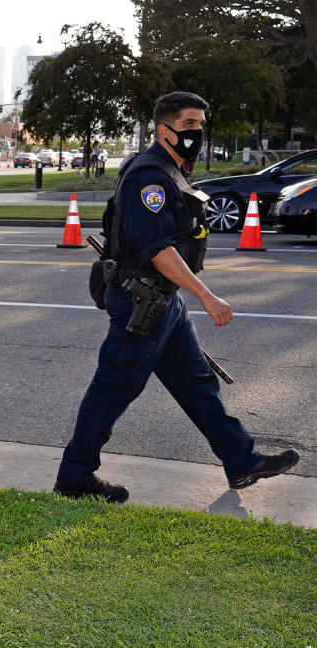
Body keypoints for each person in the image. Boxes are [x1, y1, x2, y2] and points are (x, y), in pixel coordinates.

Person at [53, 91, 299, 503]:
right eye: (188, 125)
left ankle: (241, 461)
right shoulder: (149, 177)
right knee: (113, 388)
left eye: (200, 124)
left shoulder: (170, 170)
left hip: (163, 301)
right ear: (163, 129)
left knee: (198, 384)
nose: (196, 132)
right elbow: (157, 248)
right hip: (141, 302)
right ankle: (75, 476)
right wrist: (207, 296)